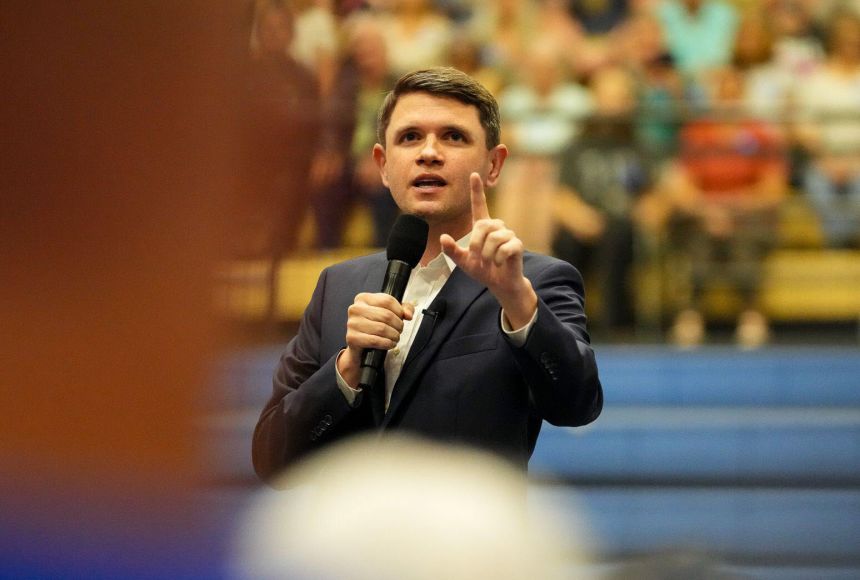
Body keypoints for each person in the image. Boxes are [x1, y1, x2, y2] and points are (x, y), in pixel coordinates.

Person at [252, 67, 603, 482]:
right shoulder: (337, 286)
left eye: (453, 136)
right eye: (410, 137)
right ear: (383, 165)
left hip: (463, 545)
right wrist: (346, 369)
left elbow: (576, 405)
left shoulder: (535, 282)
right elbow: (271, 458)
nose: (429, 153)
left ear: (494, 165)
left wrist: (517, 300)